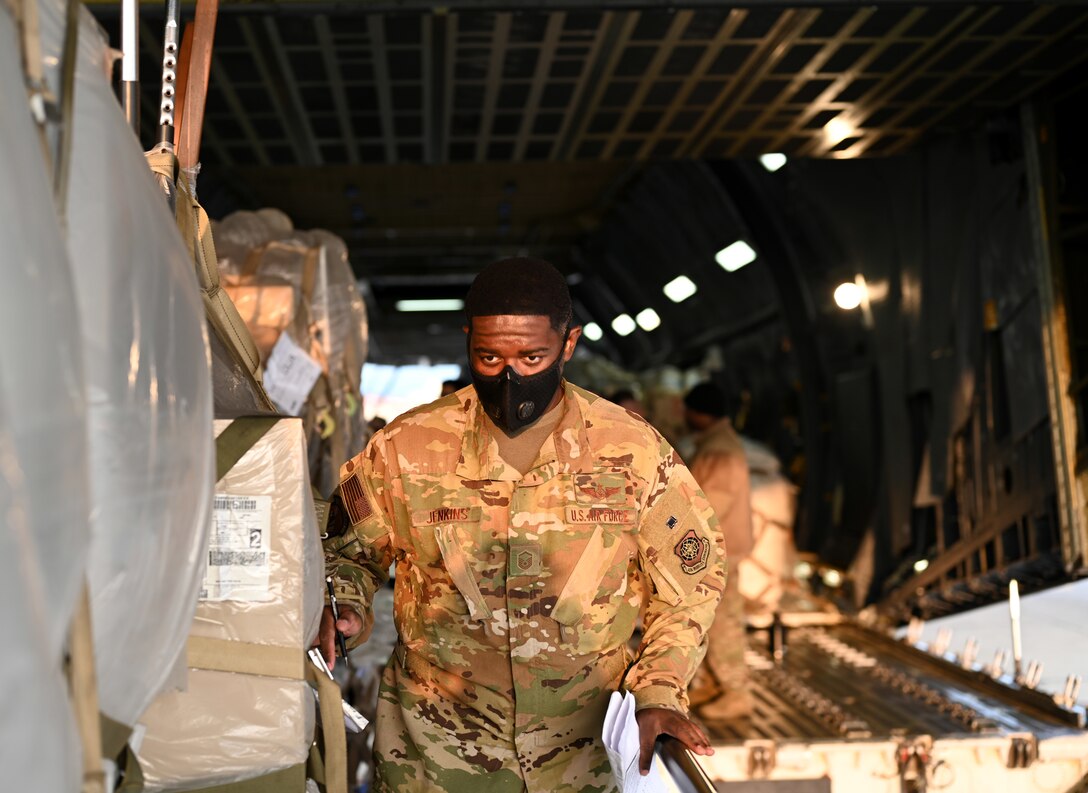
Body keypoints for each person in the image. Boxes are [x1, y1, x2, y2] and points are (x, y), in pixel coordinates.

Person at [319, 257, 727, 792]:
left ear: (570, 344)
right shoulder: (406, 448)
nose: (510, 376)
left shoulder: (631, 450)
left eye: (533, 356)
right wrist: (343, 605)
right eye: (489, 357)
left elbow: (691, 584)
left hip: (581, 762)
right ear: (468, 342)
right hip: (436, 757)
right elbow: (346, 551)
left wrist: (658, 690)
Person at [682, 382, 753, 721]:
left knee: (723, 622)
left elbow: (709, 507)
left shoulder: (721, 452)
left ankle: (737, 692)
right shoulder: (715, 444)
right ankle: (714, 683)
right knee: (709, 619)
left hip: (717, 550)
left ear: (700, 413)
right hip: (712, 548)